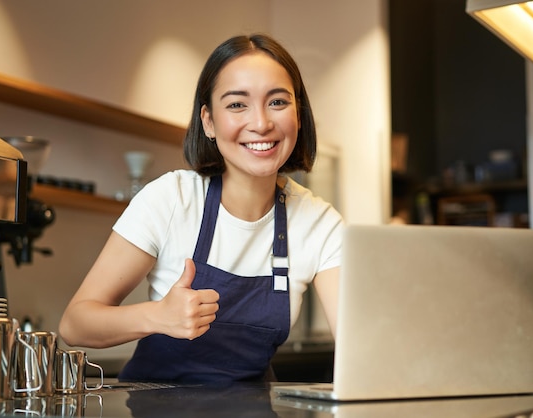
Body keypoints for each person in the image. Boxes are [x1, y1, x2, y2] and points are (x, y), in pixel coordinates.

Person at [58, 33, 343, 384]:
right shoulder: (171, 199)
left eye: (278, 102)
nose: (261, 123)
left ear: (298, 114)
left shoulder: (320, 222)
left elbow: (358, 342)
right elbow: (75, 323)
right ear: (208, 121)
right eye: (237, 104)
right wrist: (158, 316)